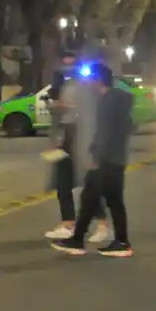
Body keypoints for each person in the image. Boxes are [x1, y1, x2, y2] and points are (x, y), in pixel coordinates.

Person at [51, 62, 133, 257]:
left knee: (97, 198)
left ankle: (105, 241)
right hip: (116, 158)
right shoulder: (120, 100)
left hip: (106, 160)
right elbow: (129, 126)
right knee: (99, 199)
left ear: (97, 81)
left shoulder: (107, 101)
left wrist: (96, 157)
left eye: (90, 80)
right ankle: (85, 239)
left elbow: (104, 133)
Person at [44, 54, 111, 243]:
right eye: (64, 60)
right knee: (62, 181)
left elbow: (93, 111)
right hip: (66, 134)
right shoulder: (61, 85)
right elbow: (57, 112)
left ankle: (103, 224)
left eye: (71, 61)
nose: (67, 65)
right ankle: (68, 224)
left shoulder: (88, 85)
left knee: (88, 181)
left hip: (83, 135)